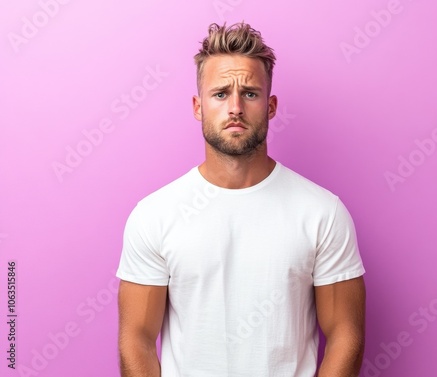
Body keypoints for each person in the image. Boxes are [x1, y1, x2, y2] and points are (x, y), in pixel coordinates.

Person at [116, 22, 366, 377]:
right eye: (220, 94)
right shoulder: (155, 215)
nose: (235, 107)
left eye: (249, 93)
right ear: (198, 106)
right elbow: (136, 338)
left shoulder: (322, 213)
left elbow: (346, 334)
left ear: (271, 105)